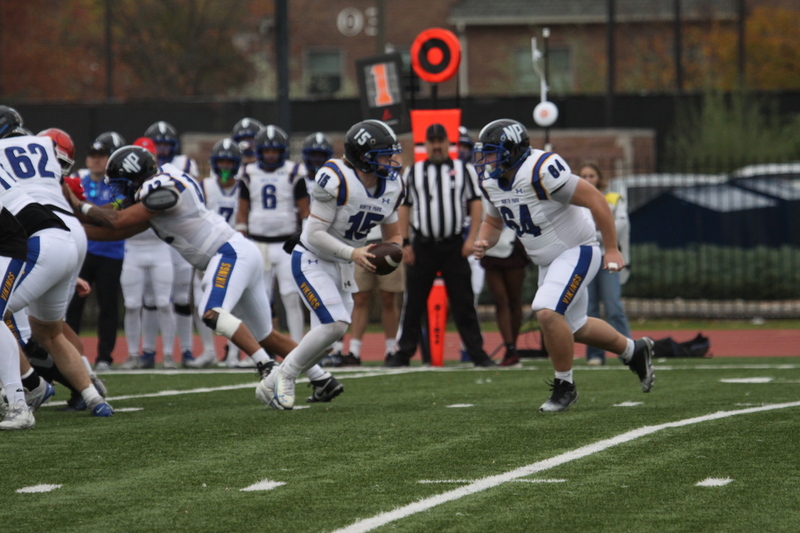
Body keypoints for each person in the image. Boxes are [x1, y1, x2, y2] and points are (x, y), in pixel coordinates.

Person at [68, 146, 341, 407]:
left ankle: (268, 369)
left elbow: (117, 221)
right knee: (266, 335)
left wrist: (78, 205)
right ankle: (321, 379)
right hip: (238, 252)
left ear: (135, 175)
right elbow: (117, 229)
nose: (118, 191)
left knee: (211, 312)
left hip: (228, 254)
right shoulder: (158, 186)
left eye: (120, 183)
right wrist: (72, 224)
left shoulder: (159, 187)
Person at [472, 118, 654, 412]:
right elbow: (493, 221)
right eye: (486, 152)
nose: (488, 159)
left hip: (577, 249)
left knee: (545, 311)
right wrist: (484, 241)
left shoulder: (541, 170)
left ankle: (564, 386)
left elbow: (596, 200)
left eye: (494, 152)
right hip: (549, 260)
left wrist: (611, 249)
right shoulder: (493, 181)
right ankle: (634, 350)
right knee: (574, 327)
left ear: (514, 150)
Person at [258, 119, 405, 410]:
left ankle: (271, 379)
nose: (391, 161)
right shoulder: (335, 177)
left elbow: (394, 234)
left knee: (325, 342)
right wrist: (354, 253)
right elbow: (314, 234)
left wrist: (394, 251)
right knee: (336, 324)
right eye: (384, 155)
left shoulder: (392, 185)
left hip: (344, 264)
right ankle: (286, 376)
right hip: (312, 257)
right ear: (363, 157)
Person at [0, 109, 112, 418]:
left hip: (34, 235)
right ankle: (93, 396)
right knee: (50, 331)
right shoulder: (43, 146)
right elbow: (67, 187)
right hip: (66, 228)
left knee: (9, 320)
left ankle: (30, 385)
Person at [385, 123, 495, 368]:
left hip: (453, 245)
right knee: (413, 302)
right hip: (423, 244)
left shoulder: (463, 170)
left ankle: (477, 353)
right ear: (426, 145)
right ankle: (403, 354)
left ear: (448, 143)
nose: (436, 146)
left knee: (463, 302)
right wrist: (404, 242)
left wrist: (471, 238)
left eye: (440, 141)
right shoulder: (413, 172)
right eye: (431, 142)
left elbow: (476, 203)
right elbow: (405, 206)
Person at [236, 125, 308, 344]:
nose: (270, 155)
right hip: (259, 244)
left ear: (282, 151)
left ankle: (297, 346)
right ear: (259, 151)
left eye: (274, 150)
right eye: (266, 151)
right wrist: (242, 238)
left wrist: (304, 238)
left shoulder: (294, 172)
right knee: (260, 298)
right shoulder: (248, 173)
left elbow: (305, 210)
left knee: (291, 296)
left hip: (287, 243)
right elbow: (242, 210)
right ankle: (263, 347)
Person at [66, 132, 126, 370]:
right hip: (82, 252)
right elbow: (70, 208)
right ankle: (71, 354)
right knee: (73, 307)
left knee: (108, 306)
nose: (96, 160)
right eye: (92, 155)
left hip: (111, 252)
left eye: (101, 156)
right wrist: (94, 215)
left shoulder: (118, 181)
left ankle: (104, 357)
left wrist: (86, 214)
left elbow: (114, 214)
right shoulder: (76, 178)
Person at [144, 120, 203, 366]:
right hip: (154, 239)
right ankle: (149, 351)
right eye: (158, 145)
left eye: (166, 145)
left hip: (179, 235)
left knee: (180, 296)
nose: (162, 150)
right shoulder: (142, 165)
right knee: (151, 297)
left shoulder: (186, 165)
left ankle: (186, 349)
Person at [119, 137, 177, 369]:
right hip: (133, 248)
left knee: (164, 303)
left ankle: (170, 355)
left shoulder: (162, 180)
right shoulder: (122, 183)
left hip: (159, 248)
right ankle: (134, 354)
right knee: (132, 305)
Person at [191, 138, 244, 368]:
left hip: (234, 251)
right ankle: (209, 350)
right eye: (220, 162)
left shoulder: (245, 186)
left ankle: (233, 352)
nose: (224, 167)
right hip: (207, 250)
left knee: (233, 304)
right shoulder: (203, 186)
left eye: (228, 162)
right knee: (200, 300)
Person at [579, 164, 632, 366]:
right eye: (583, 176)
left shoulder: (612, 198)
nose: (588, 179)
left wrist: (594, 235)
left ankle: (628, 351)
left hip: (607, 258)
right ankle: (595, 355)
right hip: (587, 257)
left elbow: (619, 227)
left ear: (599, 178)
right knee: (589, 309)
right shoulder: (576, 201)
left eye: (591, 175)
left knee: (613, 306)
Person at [480, 225, 529, 366]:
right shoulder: (485, 202)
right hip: (491, 248)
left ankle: (513, 346)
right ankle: (510, 348)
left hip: (513, 246)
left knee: (514, 300)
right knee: (500, 301)